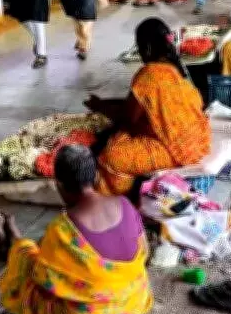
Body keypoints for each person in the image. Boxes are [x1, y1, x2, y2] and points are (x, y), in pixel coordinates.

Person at [0, 145, 153, 314]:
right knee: (37, 254)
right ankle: (15, 242)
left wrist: (24, 252)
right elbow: (145, 251)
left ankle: (14, 243)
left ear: (58, 184)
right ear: (96, 177)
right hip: (134, 303)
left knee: (26, 265)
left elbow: (43, 278)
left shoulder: (63, 230)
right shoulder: (126, 205)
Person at [88, 18, 211, 196]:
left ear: (146, 48)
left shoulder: (149, 74)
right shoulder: (175, 70)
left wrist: (100, 107)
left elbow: (128, 117)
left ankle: (121, 198)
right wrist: (103, 104)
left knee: (112, 155)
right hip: (200, 140)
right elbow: (137, 105)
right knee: (123, 134)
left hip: (177, 151)